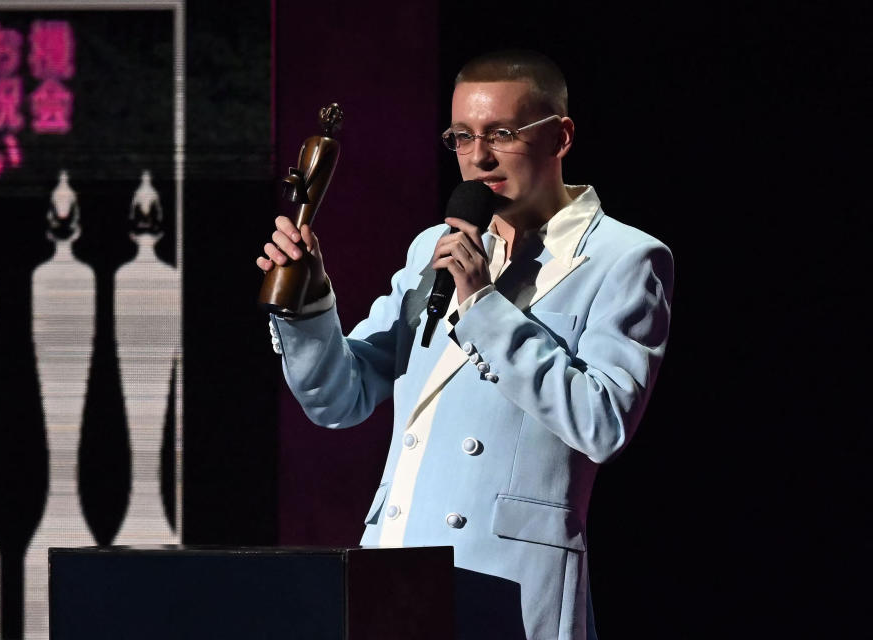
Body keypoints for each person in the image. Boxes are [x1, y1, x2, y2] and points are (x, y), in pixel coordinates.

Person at [257, 50, 673, 640]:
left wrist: (483, 307)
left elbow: (602, 424)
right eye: (461, 137)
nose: (478, 158)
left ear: (561, 135)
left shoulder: (625, 259)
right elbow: (339, 397)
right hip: (398, 567)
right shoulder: (435, 245)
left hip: (510, 582)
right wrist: (310, 302)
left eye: (501, 134)